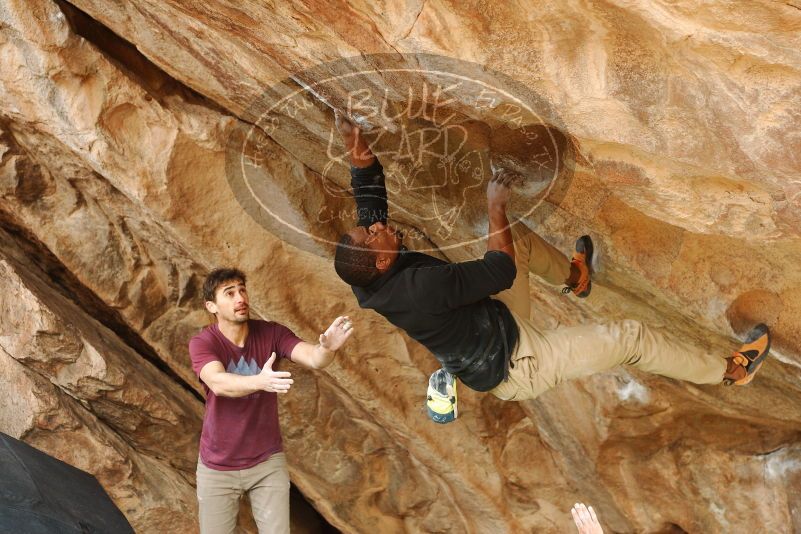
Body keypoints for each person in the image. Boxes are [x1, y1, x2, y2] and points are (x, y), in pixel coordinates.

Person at [331, 112, 770, 408]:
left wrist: (357, 150)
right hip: (521, 365)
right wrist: (495, 206)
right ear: (384, 262)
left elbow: (370, 200)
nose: (375, 227)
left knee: (512, 240)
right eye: (372, 235)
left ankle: (575, 278)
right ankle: (730, 372)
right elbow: (498, 270)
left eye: (368, 229)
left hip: (496, 322)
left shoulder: (366, 273)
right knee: (629, 338)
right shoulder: (418, 289)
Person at [188, 268, 354, 534]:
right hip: (217, 467)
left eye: (242, 289)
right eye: (229, 293)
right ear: (212, 306)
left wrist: (327, 348)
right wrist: (260, 381)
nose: (240, 297)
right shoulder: (203, 342)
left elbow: (313, 358)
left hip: (266, 463)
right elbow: (218, 383)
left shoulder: (271, 333)